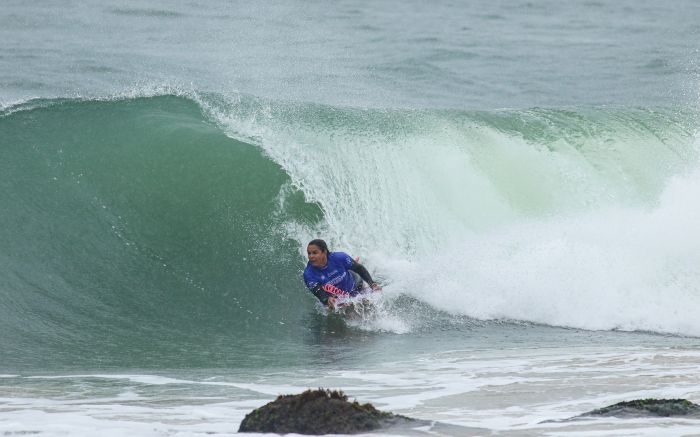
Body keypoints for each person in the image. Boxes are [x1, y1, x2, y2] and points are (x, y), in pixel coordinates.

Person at [303, 239, 381, 308]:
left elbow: (359, 268)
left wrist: (372, 284)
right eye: (309, 253)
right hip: (337, 299)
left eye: (314, 253)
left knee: (372, 305)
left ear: (324, 252)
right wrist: (327, 300)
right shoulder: (309, 274)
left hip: (356, 286)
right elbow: (318, 292)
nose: (311, 256)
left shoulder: (339, 257)